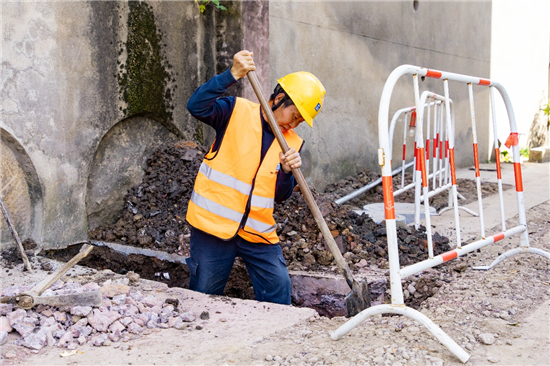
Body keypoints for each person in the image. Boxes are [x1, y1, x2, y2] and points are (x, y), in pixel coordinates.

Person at [185, 50, 326, 305]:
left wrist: (286, 172)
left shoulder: (291, 143)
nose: (294, 125)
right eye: (294, 116)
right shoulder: (233, 111)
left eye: (300, 122)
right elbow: (196, 106)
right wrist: (231, 76)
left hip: (256, 232)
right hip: (214, 227)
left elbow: (280, 196)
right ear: (279, 98)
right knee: (203, 295)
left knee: (278, 289)